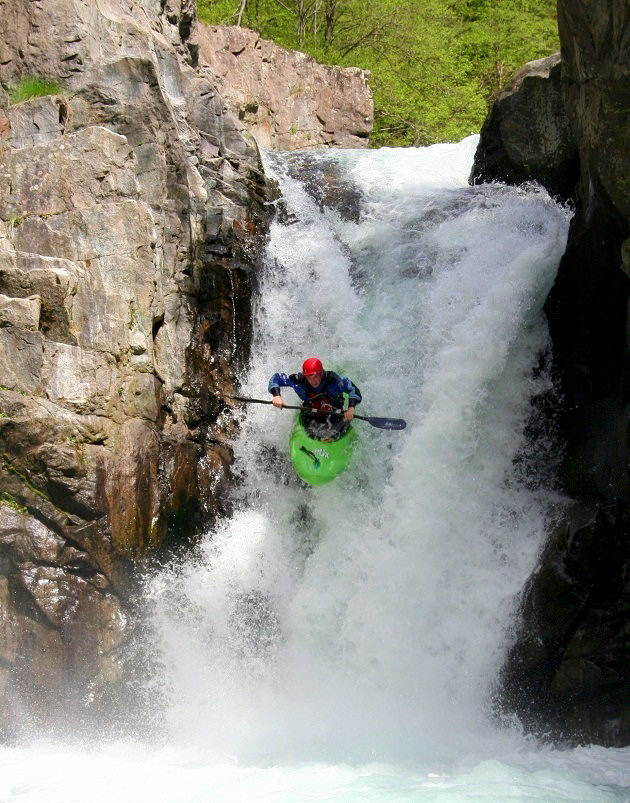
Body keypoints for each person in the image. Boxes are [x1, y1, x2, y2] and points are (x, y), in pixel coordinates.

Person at [268, 357, 362, 441]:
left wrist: (351, 408)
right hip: (311, 412)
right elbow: (277, 378)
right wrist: (276, 395)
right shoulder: (299, 381)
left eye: (316, 376)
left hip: (334, 413)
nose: (313, 381)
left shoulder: (334, 380)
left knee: (338, 428)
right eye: (309, 377)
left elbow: (353, 389)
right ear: (305, 376)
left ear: (321, 373)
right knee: (309, 425)